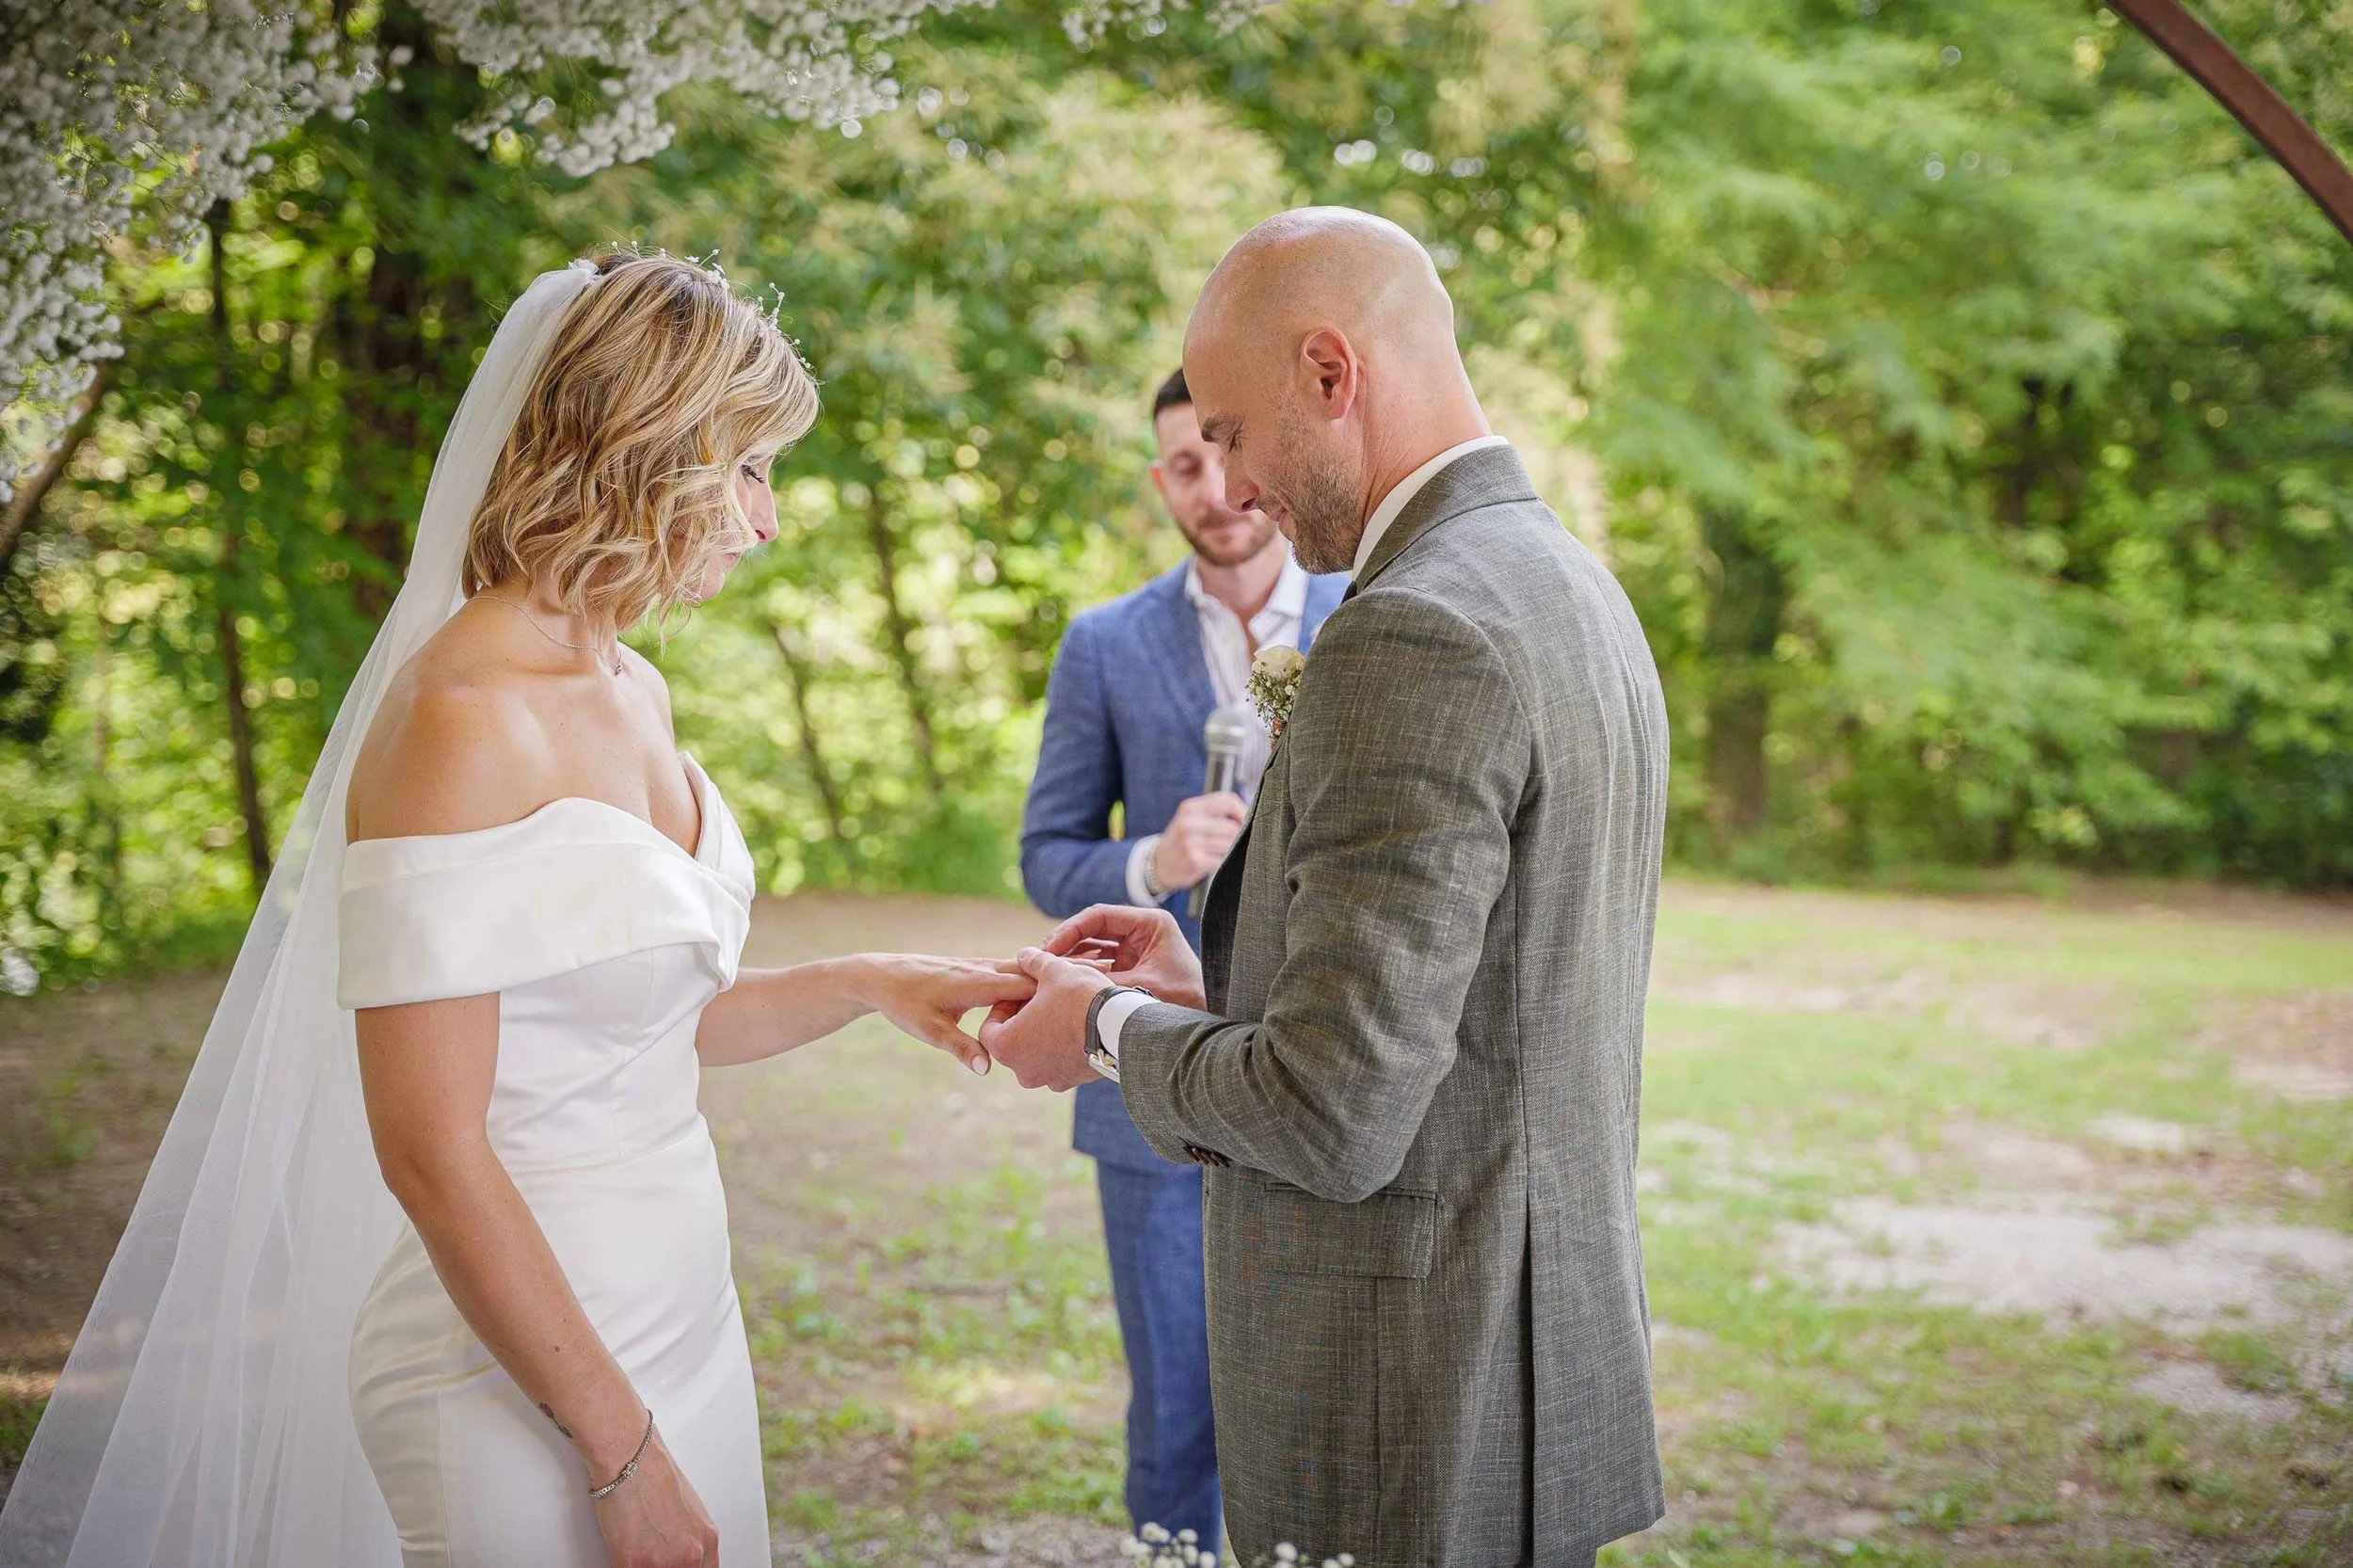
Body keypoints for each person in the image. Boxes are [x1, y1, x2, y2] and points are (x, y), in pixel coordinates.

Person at [0, 252, 1030, 1568]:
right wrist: (623, 1452)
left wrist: (876, 979)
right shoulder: (458, 721)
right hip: (512, 1377)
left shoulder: (630, 684)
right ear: (646, 453)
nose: (769, 519)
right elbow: (431, 1145)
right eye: (750, 468)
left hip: (680, 1306)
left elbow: (651, 1021)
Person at [983, 208, 1672, 1568]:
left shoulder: (1412, 625)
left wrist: (1107, 1031)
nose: (1227, 485)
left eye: (1231, 431)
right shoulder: (1568, 584)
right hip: (1522, 1358)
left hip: (1401, 1388)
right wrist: (1216, 986)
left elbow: (1332, 1109)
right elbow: (1480, 1000)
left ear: (1330, 372)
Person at [1018, 368, 1347, 1549]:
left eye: (1222, 456)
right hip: (1151, 1085)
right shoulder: (1104, 644)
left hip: (1328, 1064)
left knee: (1326, 1402)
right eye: (1183, 468)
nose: (1215, 491)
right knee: (1177, 1406)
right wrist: (1148, 862)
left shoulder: (1370, 611)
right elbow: (1045, 853)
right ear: (1161, 481)